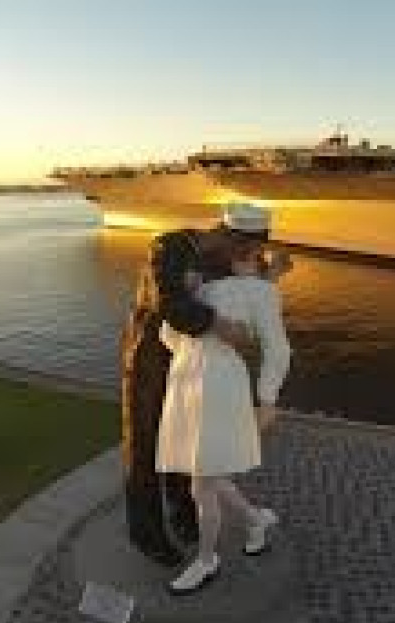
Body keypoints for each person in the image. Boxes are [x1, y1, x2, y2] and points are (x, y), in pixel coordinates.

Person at [120, 203, 289, 566]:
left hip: (190, 360)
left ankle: (184, 515)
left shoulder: (221, 257)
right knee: (145, 447)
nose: (246, 257)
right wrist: (221, 325)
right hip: (150, 356)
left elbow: (242, 284)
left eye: (252, 252)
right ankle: (146, 532)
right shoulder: (170, 247)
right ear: (226, 236)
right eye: (244, 250)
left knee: (185, 439)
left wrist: (269, 276)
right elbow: (170, 303)